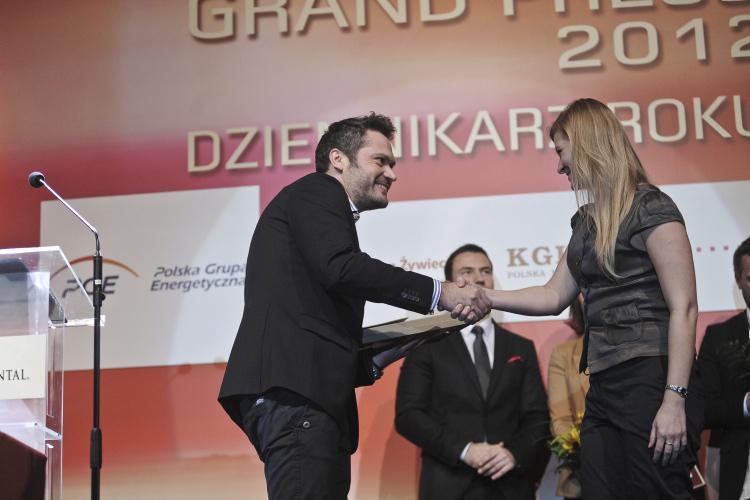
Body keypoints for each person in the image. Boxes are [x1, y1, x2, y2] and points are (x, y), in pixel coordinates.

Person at [218, 113, 491, 500]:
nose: (391, 173)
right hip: (297, 398)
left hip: (308, 402)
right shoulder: (318, 191)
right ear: (338, 159)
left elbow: (321, 320)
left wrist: (404, 342)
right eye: (381, 160)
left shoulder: (317, 210)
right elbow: (341, 268)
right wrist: (439, 292)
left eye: (392, 164)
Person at [452, 98, 703, 499]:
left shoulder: (652, 208)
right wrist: (485, 295)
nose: (559, 166)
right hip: (602, 385)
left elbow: (684, 308)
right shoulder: (586, 223)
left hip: (651, 378)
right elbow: (553, 294)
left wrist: (674, 399)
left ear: (586, 145)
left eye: (561, 151)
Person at [395, 244, 550, 500]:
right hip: (449, 485)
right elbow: (409, 415)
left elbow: (538, 417)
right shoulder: (427, 346)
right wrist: (466, 450)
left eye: (485, 271)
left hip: (510, 485)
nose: (479, 278)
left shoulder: (521, 347)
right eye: (467, 272)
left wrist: (513, 454)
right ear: (450, 284)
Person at [698, 236, 750, 500]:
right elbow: (706, 408)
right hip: (737, 475)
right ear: (738, 280)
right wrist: (746, 404)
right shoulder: (717, 338)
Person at [547, 295, 589, 499]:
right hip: (584, 473)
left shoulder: (645, 347)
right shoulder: (563, 354)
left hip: (640, 466)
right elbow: (560, 421)